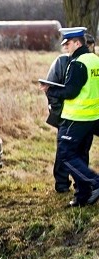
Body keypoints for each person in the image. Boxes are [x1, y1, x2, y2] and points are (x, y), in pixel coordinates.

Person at [40, 27, 99, 207]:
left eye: (68, 44)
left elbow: (71, 92)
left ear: (77, 43)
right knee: (80, 155)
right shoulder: (94, 60)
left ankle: (94, 181)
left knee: (66, 155)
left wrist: (51, 90)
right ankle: (82, 197)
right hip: (92, 117)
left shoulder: (78, 63)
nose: (66, 48)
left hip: (76, 118)